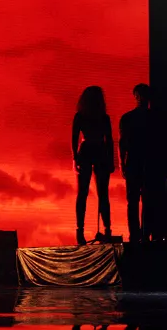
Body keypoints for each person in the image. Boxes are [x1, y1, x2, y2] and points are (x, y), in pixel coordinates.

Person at [72, 86, 115, 244]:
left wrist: (75, 159)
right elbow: (109, 140)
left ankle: (80, 231)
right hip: (99, 151)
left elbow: (74, 139)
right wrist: (111, 160)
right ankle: (107, 230)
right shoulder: (104, 117)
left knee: (83, 193)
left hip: (87, 151)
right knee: (102, 194)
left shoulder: (81, 116)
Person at [118, 83, 152, 242]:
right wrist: (122, 163)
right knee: (141, 199)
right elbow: (122, 143)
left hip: (137, 161)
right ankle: (142, 234)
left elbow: (122, 143)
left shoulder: (127, 118)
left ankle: (137, 234)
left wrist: (122, 163)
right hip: (143, 161)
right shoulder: (152, 117)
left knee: (135, 201)